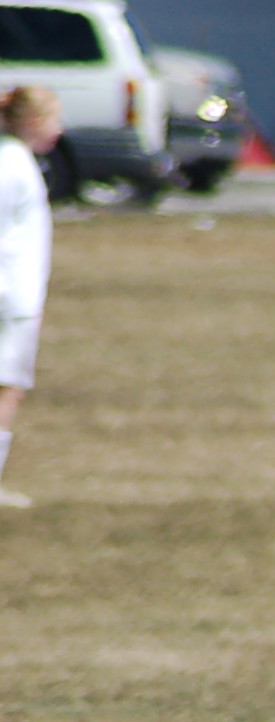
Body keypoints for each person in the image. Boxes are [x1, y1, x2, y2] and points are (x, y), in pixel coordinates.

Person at [0, 86, 60, 510]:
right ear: (35, 122)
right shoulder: (13, 163)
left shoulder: (14, 160)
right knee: (8, 389)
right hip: (10, 299)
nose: (61, 129)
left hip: (14, 296)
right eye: (56, 119)